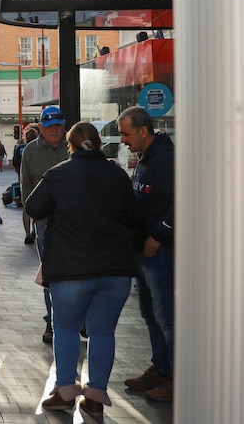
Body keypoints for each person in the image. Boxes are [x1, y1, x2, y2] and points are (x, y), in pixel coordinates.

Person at [25, 122, 139, 416]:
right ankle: (95, 398)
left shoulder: (59, 174)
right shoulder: (117, 174)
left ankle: (65, 393)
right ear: (100, 144)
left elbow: (33, 207)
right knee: (103, 332)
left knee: (65, 327)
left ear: (70, 145)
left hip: (71, 269)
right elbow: (134, 216)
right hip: (115, 272)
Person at [117, 105, 175, 402]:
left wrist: (159, 234)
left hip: (161, 252)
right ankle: (161, 368)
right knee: (150, 313)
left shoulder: (164, 159)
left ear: (142, 131)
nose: (123, 139)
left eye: (126, 133)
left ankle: (177, 377)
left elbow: (182, 201)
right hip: (143, 250)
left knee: (166, 316)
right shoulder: (146, 157)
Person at [20, 106, 69, 343]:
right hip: (45, 225)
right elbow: (26, 189)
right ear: (40, 128)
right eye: (49, 126)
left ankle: (76, 320)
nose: (55, 129)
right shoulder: (30, 151)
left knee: (76, 274)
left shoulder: (73, 146)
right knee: (49, 275)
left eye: (58, 125)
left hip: (74, 225)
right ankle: (52, 322)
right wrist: (32, 217)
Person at [16, 123, 40, 241]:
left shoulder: (20, 147)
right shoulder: (36, 150)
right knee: (39, 206)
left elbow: (16, 162)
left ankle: (27, 233)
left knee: (26, 207)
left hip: (23, 179)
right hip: (37, 181)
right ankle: (35, 230)